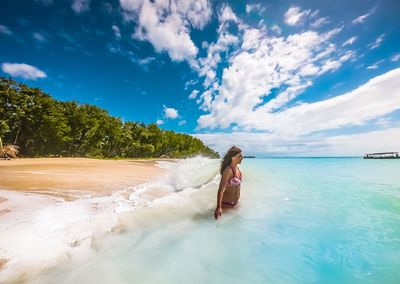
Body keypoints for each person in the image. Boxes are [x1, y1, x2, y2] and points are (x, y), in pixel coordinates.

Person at [214, 146, 243, 219]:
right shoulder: (228, 170)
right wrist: (218, 207)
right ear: (233, 157)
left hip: (235, 205)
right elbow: (221, 189)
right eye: (240, 156)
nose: (242, 158)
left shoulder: (237, 169)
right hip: (225, 207)